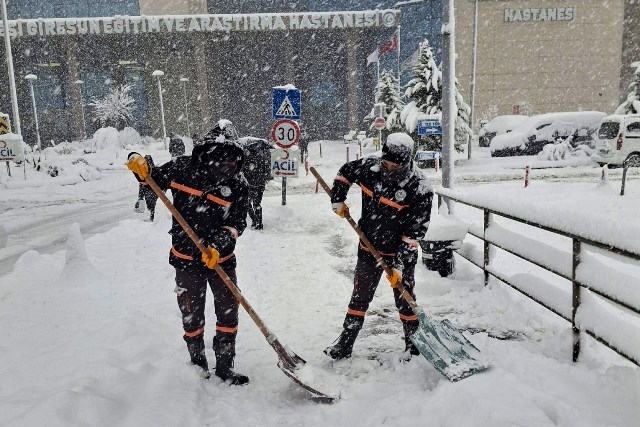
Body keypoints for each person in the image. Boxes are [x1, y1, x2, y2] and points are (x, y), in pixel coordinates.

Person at [126, 119, 251, 385]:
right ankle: (197, 364)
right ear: (210, 155)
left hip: (222, 260)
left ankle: (225, 366)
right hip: (185, 257)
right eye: (224, 161)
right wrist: (139, 163)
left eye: (234, 162)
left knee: (228, 310)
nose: (230, 168)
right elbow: (151, 179)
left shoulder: (238, 183)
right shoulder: (182, 168)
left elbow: (238, 222)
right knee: (191, 312)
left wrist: (217, 245)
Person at [324, 133, 434, 360]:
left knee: (405, 299)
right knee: (360, 296)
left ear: (406, 162)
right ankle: (345, 343)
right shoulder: (369, 167)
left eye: (395, 165)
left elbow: (414, 234)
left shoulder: (420, 187)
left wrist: (400, 266)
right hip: (369, 246)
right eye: (386, 163)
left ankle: (413, 345)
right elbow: (345, 173)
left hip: (400, 252)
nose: (389, 168)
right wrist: (338, 198)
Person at [240, 139, 272, 230]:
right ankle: (259, 223)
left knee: (248, 204)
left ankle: (254, 220)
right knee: (257, 204)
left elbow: (244, 172)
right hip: (260, 185)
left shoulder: (246, 160)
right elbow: (266, 171)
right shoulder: (261, 158)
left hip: (250, 185)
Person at [132, 155, 158, 222]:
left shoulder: (144, 172)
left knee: (150, 205)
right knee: (154, 205)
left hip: (148, 192)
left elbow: (141, 185)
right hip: (155, 192)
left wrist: (140, 196)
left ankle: (152, 217)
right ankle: (153, 216)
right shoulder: (155, 170)